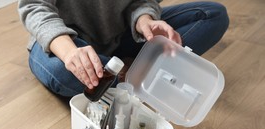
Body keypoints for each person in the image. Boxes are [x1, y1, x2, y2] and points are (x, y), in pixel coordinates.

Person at [18, 0, 229, 97]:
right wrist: (69, 52)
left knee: (212, 14)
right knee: (61, 72)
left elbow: (143, 1)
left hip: (121, 34)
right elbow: (34, 6)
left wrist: (144, 20)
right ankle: (141, 74)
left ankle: (124, 76)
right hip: (64, 40)